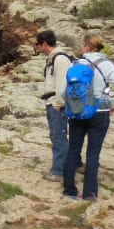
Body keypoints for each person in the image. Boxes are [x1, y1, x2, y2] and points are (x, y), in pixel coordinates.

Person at [61, 33, 114, 201]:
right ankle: (89, 194)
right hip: (100, 113)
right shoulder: (106, 65)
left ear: (86, 46)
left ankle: (69, 190)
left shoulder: (76, 64)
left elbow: (64, 91)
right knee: (93, 154)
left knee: (73, 150)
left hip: (78, 112)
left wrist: (73, 105)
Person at [34, 29, 73, 182]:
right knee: (56, 136)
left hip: (57, 105)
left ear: (44, 43)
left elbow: (62, 84)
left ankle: (58, 171)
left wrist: (58, 104)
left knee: (58, 137)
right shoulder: (54, 58)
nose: (37, 48)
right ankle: (72, 164)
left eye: (37, 44)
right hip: (52, 103)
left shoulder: (60, 60)